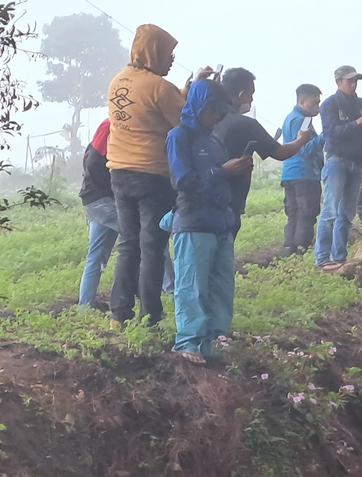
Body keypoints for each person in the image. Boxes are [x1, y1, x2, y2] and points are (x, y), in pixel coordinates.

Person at [106, 24, 210, 327]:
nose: (172, 59)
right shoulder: (158, 87)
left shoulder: (119, 81)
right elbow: (186, 121)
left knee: (128, 244)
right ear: (153, 52)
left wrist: (185, 90)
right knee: (152, 246)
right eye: (168, 53)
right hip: (152, 175)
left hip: (120, 172)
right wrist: (196, 94)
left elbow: (151, 105)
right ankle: (150, 314)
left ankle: (118, 314)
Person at [165, 80, 251, 364]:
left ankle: (217, 341)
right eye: (213, 111)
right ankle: (188, 342)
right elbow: (183, 181)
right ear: (200, 106)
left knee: (222, 287)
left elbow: (219, 177)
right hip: (194, 223)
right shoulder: (180, 137)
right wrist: (220, 171)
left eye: (221, 113)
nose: (217, 118)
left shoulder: (214, 140)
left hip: (221, 222)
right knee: (192, 286)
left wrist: (234, 171)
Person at [213, 69, 313, 232]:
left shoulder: (207, 118)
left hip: (199, 199)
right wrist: (301, 140)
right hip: (230, 198)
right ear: (241, 94)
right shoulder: (246, 124)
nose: (252, 99)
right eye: (251, 94)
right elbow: (280, 152)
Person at [315, 65, 362, 270]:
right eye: (349, 81)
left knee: (346, 214)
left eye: (355, 81)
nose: (353, 84)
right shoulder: (329, 104)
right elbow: (331, 133)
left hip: (357, 162)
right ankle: (322, 258)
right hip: (337, 160)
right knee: (330, 211)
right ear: (338, 82)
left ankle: (339, 257)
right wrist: (358, 123)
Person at [280, 84, 326, 254]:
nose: (318, 108)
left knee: (294, 213)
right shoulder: (301, 121)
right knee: (306, 213)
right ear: (302, 101)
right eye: (314, 103)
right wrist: (325, 136)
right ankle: (301, 248)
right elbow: (304, 150)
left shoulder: (290, 118)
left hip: (290, 173)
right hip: (304, 174)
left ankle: (289, 248)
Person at [78, 119, 118, 309]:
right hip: (103, 201)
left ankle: (85, 304)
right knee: (147, 238)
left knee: (96, 254)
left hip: (95, 200)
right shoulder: (111, 126)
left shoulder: (107, 127)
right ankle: (171, 291)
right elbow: (95, 163)